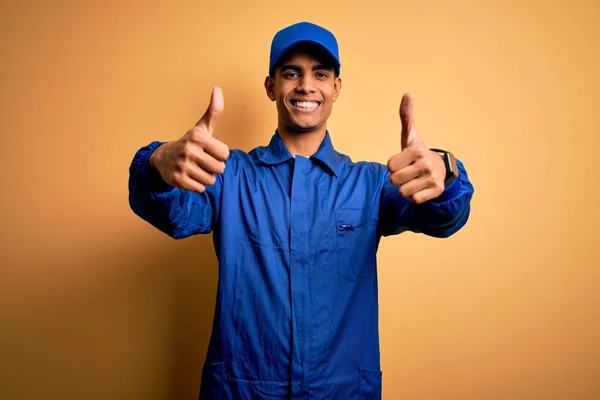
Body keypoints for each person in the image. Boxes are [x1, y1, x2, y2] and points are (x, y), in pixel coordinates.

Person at [128, 21, 474, 400]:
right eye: (291, 73)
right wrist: (156, 163)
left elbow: (443, 218)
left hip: (343, 392)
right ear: (271, 86)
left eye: (320, 74)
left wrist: (445, 172)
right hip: (242, 391)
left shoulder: (372, 183)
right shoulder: (229, 176)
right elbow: (170, 213)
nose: (306, 85)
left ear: (336, 87)